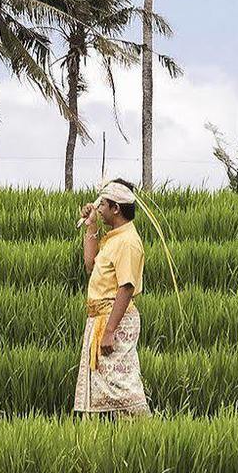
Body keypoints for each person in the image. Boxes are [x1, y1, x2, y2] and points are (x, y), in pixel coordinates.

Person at [75, 179, 152, 418]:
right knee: (106, 386)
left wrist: (109, 331)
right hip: (102, 319)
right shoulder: (114, 237)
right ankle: (112, 439)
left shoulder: (128, 242)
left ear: (116, 208)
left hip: (114, 322)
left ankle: (147, 433)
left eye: (103, 205)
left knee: (122, 386)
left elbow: (126, 287)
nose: (99, 209)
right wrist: (91, 226)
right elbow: (90, 265)